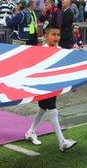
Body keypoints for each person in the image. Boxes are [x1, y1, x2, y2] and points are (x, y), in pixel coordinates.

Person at [24, 24, 77, 152]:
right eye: (53, 34)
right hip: (44, 86)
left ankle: (30, 132)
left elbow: (63, 68)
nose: (56, 37)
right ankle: (62, 142)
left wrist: (72, 83)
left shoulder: (60, 50)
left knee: (43, 108)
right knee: (53, 110)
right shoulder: (41, 50)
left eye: (58, 35)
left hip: (53, 86)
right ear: (45, 36)